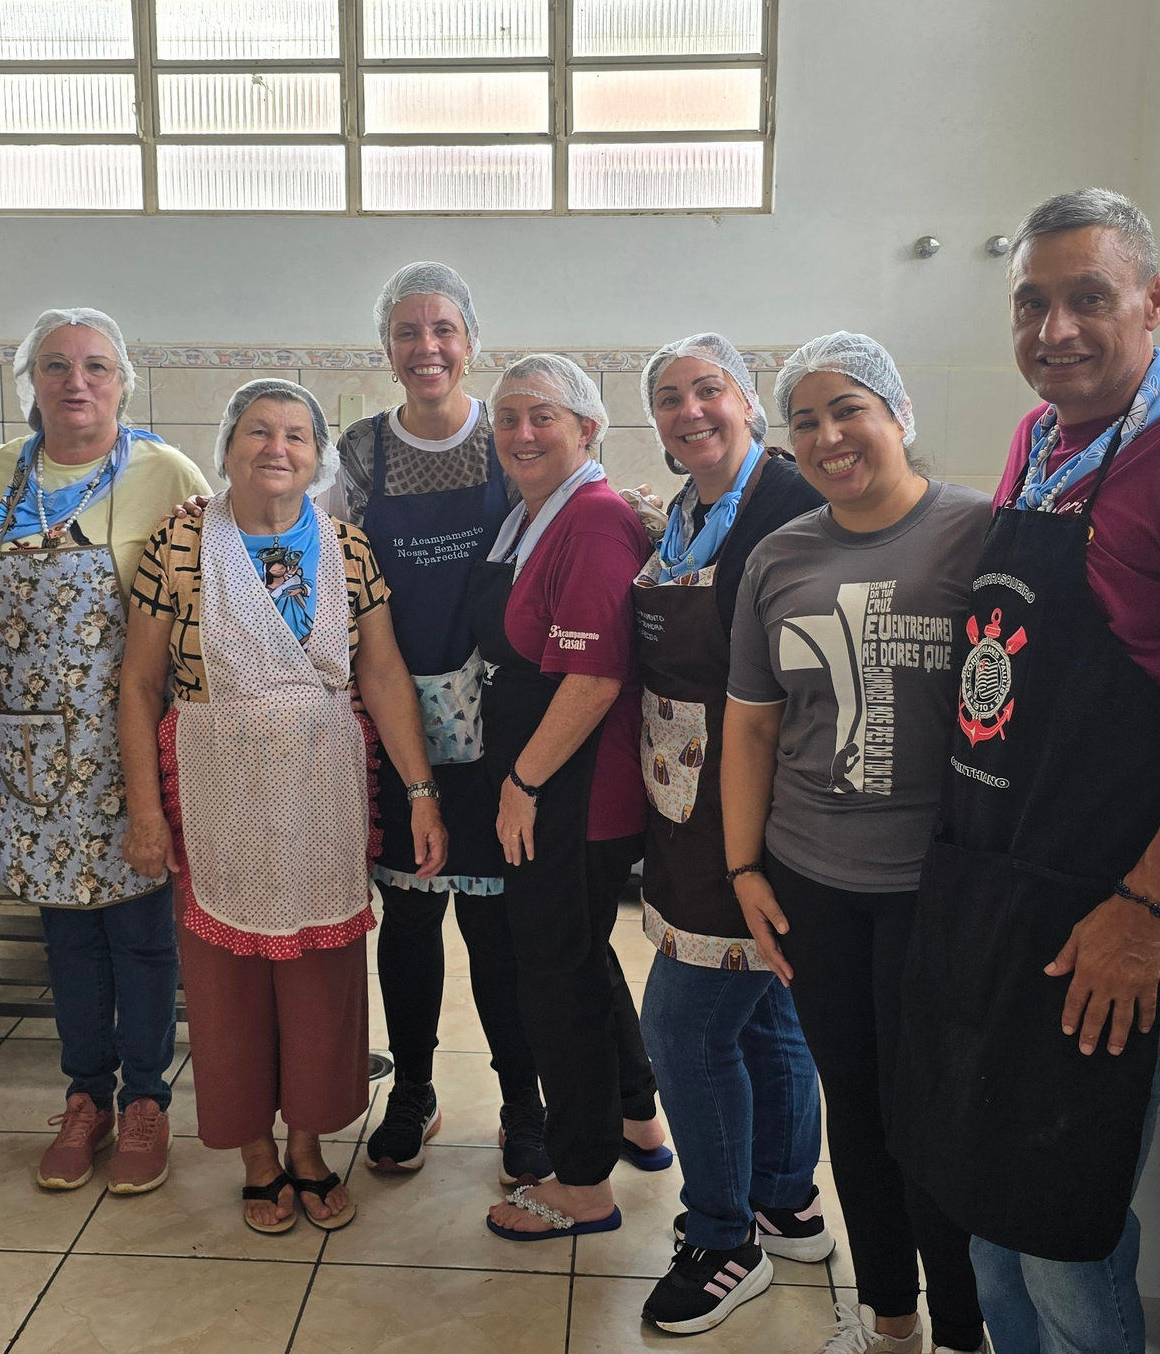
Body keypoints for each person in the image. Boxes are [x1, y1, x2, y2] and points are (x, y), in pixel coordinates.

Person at [899, 190, 1160, 1354]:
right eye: (1032, 303)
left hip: (1101, 908)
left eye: (1088, 298)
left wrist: (1139, 909)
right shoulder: (1042, 439)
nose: (1055, 329)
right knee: (983, 1213)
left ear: (1153, 300)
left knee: (1064, 1237)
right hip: (997, 886)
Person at [117, 379, 445, 1236]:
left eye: (297, 435)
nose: (277, 448)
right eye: (258, 431)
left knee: (320, 979)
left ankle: (306, 1144)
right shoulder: (179, 543)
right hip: (216, 787)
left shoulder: (348, 548)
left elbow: (382, 674)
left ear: (318, 455)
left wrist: (419, 792)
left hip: (321, 787)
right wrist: (146, 812)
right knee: (226, 988)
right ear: (226, 446)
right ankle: (257, 1154)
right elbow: (141, 683)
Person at [720, 332, 994, 1354]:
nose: (830, 435)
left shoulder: (980, 533)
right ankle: (890, 1318)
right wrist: (744, 867)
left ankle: (963, 1330)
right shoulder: (777, 558)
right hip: (813, 878)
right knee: (860, 1108)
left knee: (934, 1118)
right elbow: (749, 723)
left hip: (942, 889)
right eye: (805, 421)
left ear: (898, 414)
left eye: (850, 409)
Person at [336, 262, 570, 1182]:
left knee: (497, 929)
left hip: (501, 718)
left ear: (470, 340)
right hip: (398, 712)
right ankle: (414, 1091)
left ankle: (523, 1104)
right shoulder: (360, 452)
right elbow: (333, 568)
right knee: (410, 918)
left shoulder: (507, 438)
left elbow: (563, 524)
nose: (425, 348)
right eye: (406, 332)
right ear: (386, 348)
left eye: (442, 330)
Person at [0, 309, 210, 1197]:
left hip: (131, 742)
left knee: (143, 935)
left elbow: (198, 602)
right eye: (57, 366)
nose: (77, 383)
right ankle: (85, 1096)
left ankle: (147, 1099)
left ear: (125, 382)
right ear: (29, 380)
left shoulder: (165, 473)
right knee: (68, 935)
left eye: (97, 367)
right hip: (31, 749)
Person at [625, 334, 830, 1334]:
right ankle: (785, 1199)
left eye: (707, 391)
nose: (688, 411)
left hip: (757, 805)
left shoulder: (790, 509)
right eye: (667, 398)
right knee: (765, 1011)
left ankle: (721, 1237)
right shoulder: (688, 512)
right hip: (684, 795)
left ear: (749, 403)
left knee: (681, 1022)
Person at [471, 355, 663, 1242]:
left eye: (541, 416)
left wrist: (522, 782)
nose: (520, 432)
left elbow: (593, 674)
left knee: (554, 974)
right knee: (581, 955)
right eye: (507, 417)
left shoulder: (589, 518)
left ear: (588, 429)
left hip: (569, 786)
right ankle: (635, 1115)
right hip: (551, 779)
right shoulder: (535, 514)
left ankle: (582, 1181)